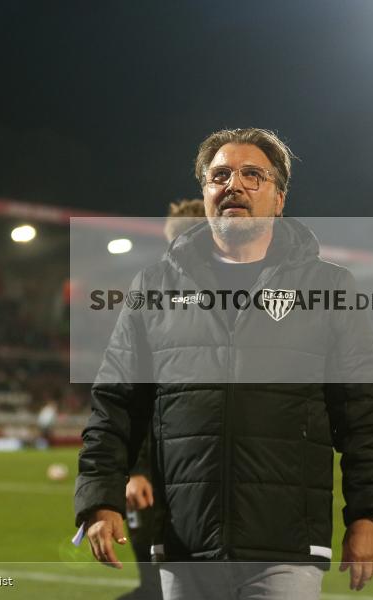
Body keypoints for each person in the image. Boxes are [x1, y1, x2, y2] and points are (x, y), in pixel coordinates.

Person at [75, 128, 373, 599]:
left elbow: (363, 413)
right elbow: (115, 406)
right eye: (220, 175)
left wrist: (368, 515)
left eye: (253, 175)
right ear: (205, 193)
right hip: (185, 545)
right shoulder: (153, 287)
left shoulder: (329, 288)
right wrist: (100, 499)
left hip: (286, 547)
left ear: (279, 199)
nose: (235, 185)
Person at [117, 198, 206, 600]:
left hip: (202, 485)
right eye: (176, 240)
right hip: (152, 482)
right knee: (157, 590)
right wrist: (134, 469)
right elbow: (125, 396)